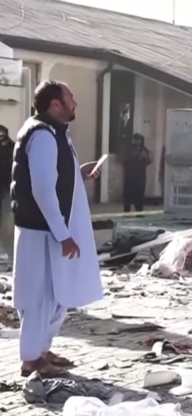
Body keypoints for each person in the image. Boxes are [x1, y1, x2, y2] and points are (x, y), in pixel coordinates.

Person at [11, 80, 104, 377]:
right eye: (71, 97)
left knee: (57, 295)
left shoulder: (53, 133)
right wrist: (63, 234)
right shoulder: (42, 136)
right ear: (55, 105)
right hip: (41, 230)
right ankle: (31, 359)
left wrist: (78, 175)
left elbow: (53, 178)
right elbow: (42, 189)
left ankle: (41, 350)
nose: (75, 103)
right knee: (39, 296)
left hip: (50, 228)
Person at [123, 133, 151, 212]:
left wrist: (142, 159)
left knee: (139, 194)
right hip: (130, 176)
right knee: (128, 194)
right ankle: (127, 211)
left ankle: (139, 210)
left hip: (140, 176)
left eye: (139, 140)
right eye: (136, 140)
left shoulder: (144, 150)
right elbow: (126, 160)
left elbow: (147, 160)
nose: (137, 142)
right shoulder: (130, 149)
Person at [0, 125, 15, 263]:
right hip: (8, 191)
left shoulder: (10, 148)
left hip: (7, 191)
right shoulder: (11, 146)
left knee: (8, 233)